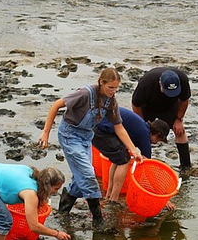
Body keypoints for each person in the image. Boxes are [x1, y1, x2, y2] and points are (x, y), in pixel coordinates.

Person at [39, 67, 143, 226]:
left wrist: (134, 149)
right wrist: (46, 133)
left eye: (116, 88)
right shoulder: (85, 94)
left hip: (86, 137)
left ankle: (63, 211)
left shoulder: (111, 101)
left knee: (82, 177)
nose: (113, 91)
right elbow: (56, 105)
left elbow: (119, 127)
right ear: (101, 82)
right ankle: (98, 220)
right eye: (110, 87)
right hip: (69, 135)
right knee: (88, 174)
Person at [94, 106, 170, 197]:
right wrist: (160, 194)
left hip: (96, 124)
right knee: (124, 161)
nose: (156, 143)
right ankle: (113, 199)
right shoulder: (144, 134)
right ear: (158, 134)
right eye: (158, 140)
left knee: (119, 158)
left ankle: (109, 193)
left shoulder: (141, 127)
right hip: (102, 130)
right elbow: (148, 167)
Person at [131, 66, 193, 171]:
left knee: (180, 131)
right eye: (167, 91)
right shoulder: (146, 83)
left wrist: (179, 119)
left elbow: (184, 100)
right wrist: (141, 124)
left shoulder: (182, 79)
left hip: (170, 106)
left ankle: (186, 166)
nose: (169, 94)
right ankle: (139, 161)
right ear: (160, 83)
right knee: (142, 133)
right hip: (148, 106)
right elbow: (136, 104)